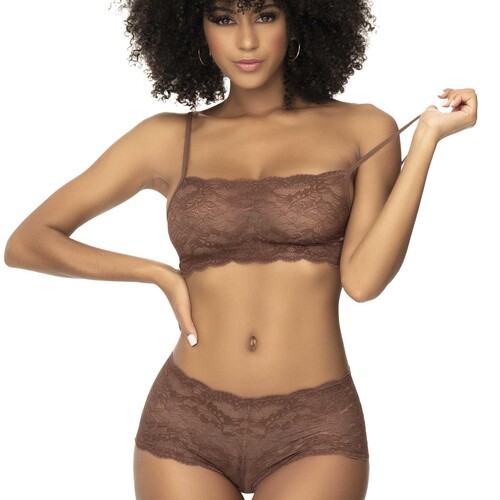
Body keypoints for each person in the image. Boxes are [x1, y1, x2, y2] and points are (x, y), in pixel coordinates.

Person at [4, 0, 477, 498]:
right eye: (224, 18)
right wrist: (157, 273)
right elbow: (28, 241)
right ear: (196, 27)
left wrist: (426, 141)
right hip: (186, 421)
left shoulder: (364, 128)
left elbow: (362, 281)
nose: (246, 40)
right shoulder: (166, 138)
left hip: (314, 427)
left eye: (266, 15)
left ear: (299, 18)